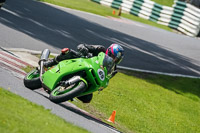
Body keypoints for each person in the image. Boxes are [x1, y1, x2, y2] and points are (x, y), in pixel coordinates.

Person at [44, 43, 124, 103]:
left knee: (87, 99)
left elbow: (106, 78)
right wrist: (84, 49)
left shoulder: (113, 68)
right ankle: (50, 63)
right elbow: (82, 46)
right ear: (109, 52)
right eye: (113, 57)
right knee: (69, 52)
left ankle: (69, 92)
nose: (114, 60)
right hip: (81, 62)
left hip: (91, 76)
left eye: (116, 59)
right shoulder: (100, 49)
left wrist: (102, 85)